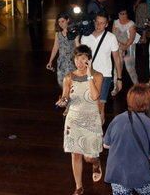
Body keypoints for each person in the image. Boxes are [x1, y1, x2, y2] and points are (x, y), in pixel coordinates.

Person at [56, 45, 103, 195]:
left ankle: (96, 163)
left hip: (91, 119)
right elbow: (65, 96)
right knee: (75, 154)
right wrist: (63, 101)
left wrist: (89, 73)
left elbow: (95, 96)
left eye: (83, 58)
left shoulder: (97, 76)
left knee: (89, 157)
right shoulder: (68, 77)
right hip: (74, 119)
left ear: (89, 60)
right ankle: (78, 186)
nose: (79, 62)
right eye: (77, 58)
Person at [104, 84, 150, 195]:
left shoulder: (117, 119)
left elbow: (106, 145)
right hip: (140, 174)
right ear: (148, 102)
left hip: (117, 173)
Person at [79, 12, 122, 123]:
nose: (99, 25)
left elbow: (117, 59)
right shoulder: (85, 36)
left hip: (105, 76)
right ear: (94, 22)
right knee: (91, 104)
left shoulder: (111, 38)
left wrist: (119, 79)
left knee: (100, 105)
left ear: (107, 24)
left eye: (102, 23)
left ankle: (98, 132)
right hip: (88, 74)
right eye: (97, 22)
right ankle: (96, 130)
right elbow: (79, 56)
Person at [47, 12, 76, 87]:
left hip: (71, 62)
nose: (60, 23)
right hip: (61, 62)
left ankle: (69, 98)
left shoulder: (73, 32)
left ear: (68, 20)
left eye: (62, 21)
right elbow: (55, 47)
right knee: (61, 82)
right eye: (59, 22)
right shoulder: (58, 33)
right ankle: (65, 97)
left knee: (70, 83)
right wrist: (50, 61)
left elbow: (77, 46)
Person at [112, 8, 139, 85]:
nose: (123, 16)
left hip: (129, 46)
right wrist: (120, 46)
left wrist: (125, 47)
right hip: (118, 45)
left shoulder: (131, 24)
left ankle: (136, 85)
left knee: (130, 67)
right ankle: (116, 86)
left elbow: (131, 38)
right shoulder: (115, 22)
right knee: (117, 67)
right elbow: (113, 36)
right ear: (118, 14)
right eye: (121, 14)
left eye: (125, 13)